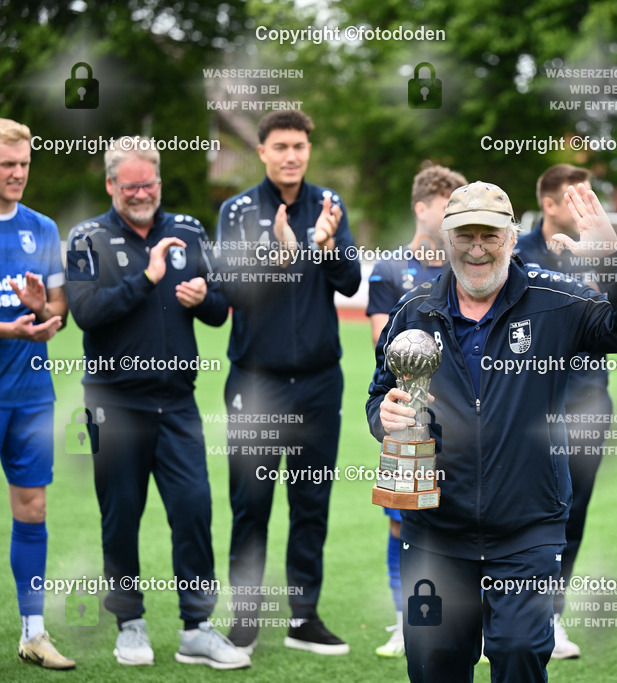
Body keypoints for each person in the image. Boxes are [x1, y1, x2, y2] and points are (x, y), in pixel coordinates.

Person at [367, 181, 617, 682]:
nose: (477, 248)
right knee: (435, 666)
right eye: (464, 235)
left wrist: (612, 258)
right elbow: (379, 396)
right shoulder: (414, 310)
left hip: (527, 528)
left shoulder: (554, 301)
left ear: (511, 236)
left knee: (520, 654)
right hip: (436, 531)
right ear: (445, 237)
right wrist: (385, 416)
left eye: (490, 235)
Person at [65, 137, 248, 669]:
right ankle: (131, 624)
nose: (141, 193)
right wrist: (146, 279)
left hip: (178, 404)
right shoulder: (86, 237)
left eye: (149, 184)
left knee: (193, 509)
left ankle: (197, 627)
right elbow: (86, 312)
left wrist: (204, 299)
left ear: (159, 183)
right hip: (113, 404)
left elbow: (218, 311)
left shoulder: (188, 231)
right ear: (111, 185)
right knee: (121, 516)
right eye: (130, 186)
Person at [214, 110, 361, 656]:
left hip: (320, 384)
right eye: (281, 146)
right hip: (257, 384)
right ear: (262, 152)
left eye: (300, 145)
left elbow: (349, 283)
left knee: (311, 502)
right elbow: (229, 287)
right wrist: (277, 253)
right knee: (251, 505)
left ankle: (304, 619)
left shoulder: (329, 207)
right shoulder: (236, 210)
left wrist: (326, 245)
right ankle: (245, 622)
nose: (292, 155)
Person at [366, 162, 466, 658]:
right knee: (402, 519)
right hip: (410, 413)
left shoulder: (466, 266)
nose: (454, 219)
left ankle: (473, 622)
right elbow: (385, 349)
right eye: (446, 208)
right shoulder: (389, 270)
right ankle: (405, 617)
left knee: (468, 517)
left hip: (466, 418)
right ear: (421, 207)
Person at [513, 163, 612, 659]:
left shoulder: (600, 254)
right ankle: (506, 614)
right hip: (528, 409)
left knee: (572, 514)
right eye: (578, 199)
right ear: (549, 204)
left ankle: (552, 618)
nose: (588, 209)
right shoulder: (513, 255)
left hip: (590, 405)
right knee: (518, 512)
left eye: (592, 198)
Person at [0, 118, 74, 670]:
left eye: (23, 164)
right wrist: (10, 329)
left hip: (30, 392)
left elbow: (58, 311)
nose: (18, 174)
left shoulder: (42, 228)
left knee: (33, 506)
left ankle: (33, 633)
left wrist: (43, 314)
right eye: (7, 165)